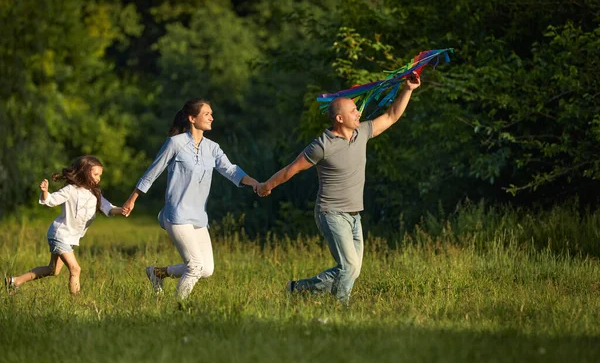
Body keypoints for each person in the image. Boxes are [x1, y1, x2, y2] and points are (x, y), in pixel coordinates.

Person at [257, 72, 421, 304]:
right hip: (331, 212)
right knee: (349, 266)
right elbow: (291, 169)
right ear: (340, 119)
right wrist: (266, 186)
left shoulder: (361, 132)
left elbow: (392, 116)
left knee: (352, 269)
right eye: (354, 111)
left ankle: (298, 289)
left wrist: (408, 89)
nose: (359, 113)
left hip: (355, 215)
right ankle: (340, 306)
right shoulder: (321, 146)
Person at [122, 98, 259, 300]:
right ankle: (179, 310)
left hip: (198, 217)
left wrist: (254, 182)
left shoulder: (212, 148)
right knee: (194, 266)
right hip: (176, 214)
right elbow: (152, 173)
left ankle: (157, 273)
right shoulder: (174, 143)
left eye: (212, 113)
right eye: (207, 114)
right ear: (192, 118)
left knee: (207, 269)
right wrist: (132, 199)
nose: (212, 117)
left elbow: (230, 170)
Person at [5, 156, 123, 295]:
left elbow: (108, 208)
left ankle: (14, 281)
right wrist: (44, 192)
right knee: (75, 269)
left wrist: (122, 210)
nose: (98, 178)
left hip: (70, 238)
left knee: (53, 270)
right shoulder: (71, 190)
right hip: (60, 234)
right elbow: (51, 200)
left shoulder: (95, 194)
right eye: (95, 174)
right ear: (84, 172)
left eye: (100, 175)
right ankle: (77, 303)